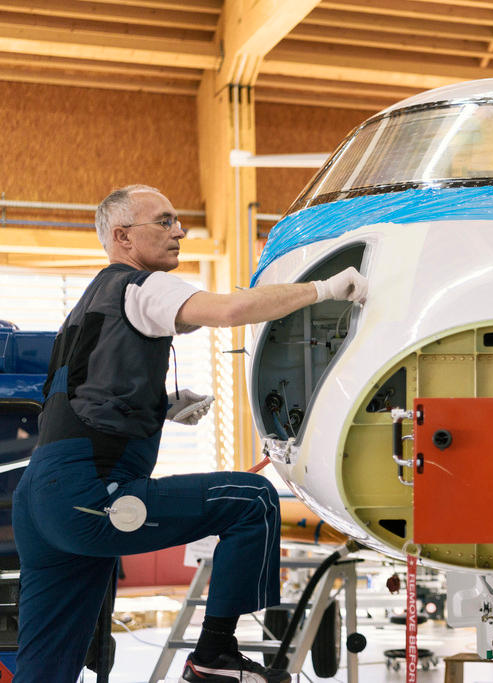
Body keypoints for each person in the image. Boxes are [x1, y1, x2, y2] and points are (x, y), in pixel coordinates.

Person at [12, 185, 367, 683]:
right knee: (253, 500)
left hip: (39, 501)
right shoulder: (142, 284)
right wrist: (326, 290)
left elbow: (83, 397)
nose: (179, 230)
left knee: (45, 668)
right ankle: (214, 653)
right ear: (123, 236)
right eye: (164, 221)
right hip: (88, 493)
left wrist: (160, 407)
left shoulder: (87, 304)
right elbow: (230, 311)